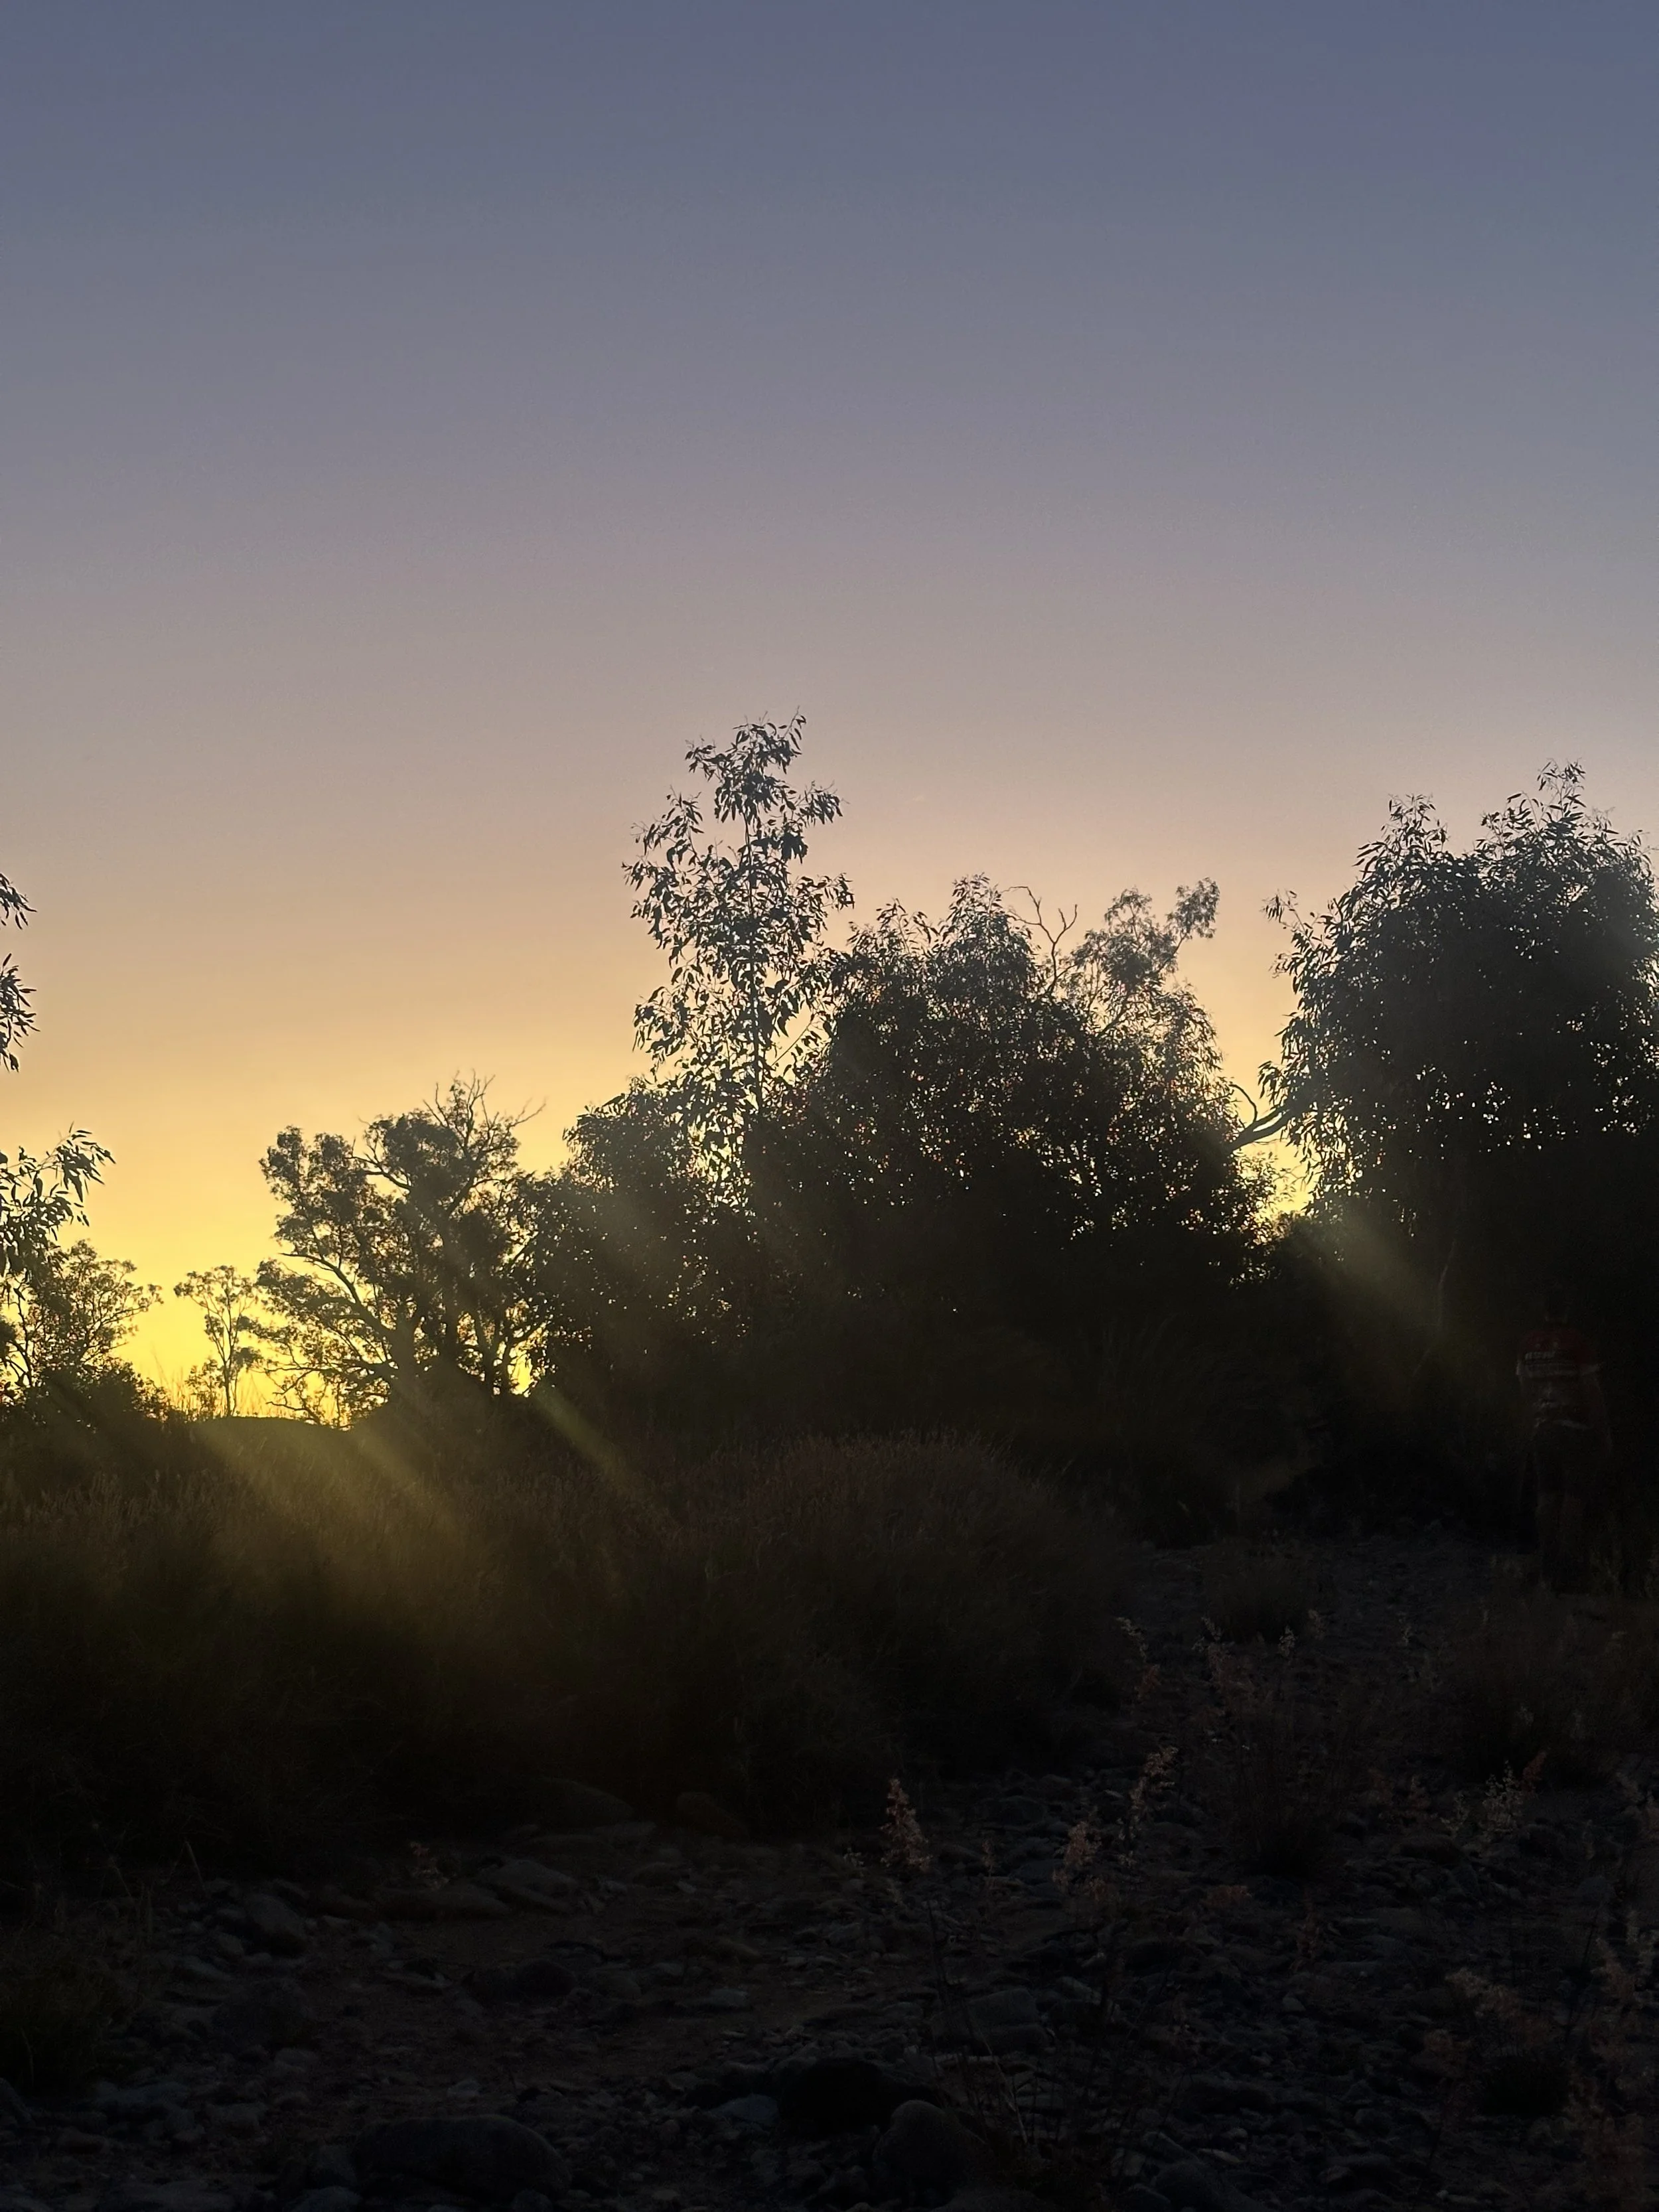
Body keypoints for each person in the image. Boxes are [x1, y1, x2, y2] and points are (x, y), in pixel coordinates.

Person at [1516, 1284, 1611, 1591]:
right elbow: (1591, 1390)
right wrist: (1603, 1431)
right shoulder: (1577, 1343)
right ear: (1566, 1309)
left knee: (1547, 1495)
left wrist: (1535, 1416)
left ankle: (1548, 1562)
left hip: (1543, 1427)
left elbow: (1525, 1389)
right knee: (1573, 1498)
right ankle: (1568, 1569)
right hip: (1575, 1429)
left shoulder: (1528, 1344)